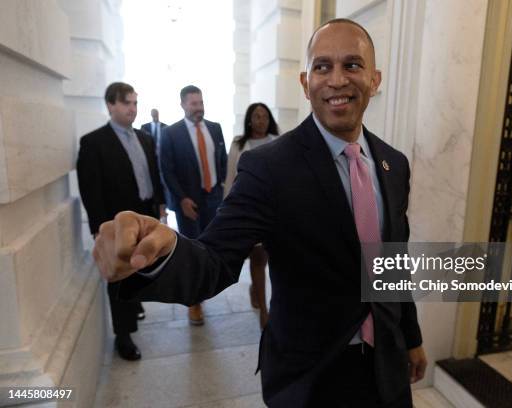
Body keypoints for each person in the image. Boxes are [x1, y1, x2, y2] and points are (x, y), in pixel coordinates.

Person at [94, 19, 427, 407]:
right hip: (311, 375)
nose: (337, 80)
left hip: (387, 364)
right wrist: (162, 254)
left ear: (375, 79)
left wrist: (411, 337)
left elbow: (393, 264)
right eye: (322, 67)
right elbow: (215, 261)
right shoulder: (268, 167)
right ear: (306, 83)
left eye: (352, 65)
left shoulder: (394, 164)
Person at [76, 82, 165, 361]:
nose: (133, 109)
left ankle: (135, 303)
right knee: (118, 277)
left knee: (141, 264)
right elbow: (90, 190)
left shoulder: (145, 138)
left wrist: (160, 205)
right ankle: (123, 337)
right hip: (116, 222)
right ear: (110, 105)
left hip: (145, 213)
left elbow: (154, 174)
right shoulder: (93, 143)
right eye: (127, 103)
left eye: (135, 103)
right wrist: (99, 230)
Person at [159, 85, 227, 326]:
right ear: (183, 105)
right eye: (194, 104)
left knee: (210, 249)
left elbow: (222, 161)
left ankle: (206, 288)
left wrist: (219, 189)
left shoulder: (215, 129)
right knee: (191, 252)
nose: (199, 108)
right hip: (188, 202)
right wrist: (181, 199)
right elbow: (166, 170)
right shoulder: (170, 133)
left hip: (213, 199)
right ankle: (194, 303)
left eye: (201, 102)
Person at [224, 102, 279, 329]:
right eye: (256, 116)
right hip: (248, 208)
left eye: (265, 116)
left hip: (273, 209)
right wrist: (228, 208)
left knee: (265, 259)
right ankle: (265, 312)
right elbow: (230, 178)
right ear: (249, 119)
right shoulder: (239, 143)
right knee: (256, 258)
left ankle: (258, 292)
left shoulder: (277, 141)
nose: (261, 120)